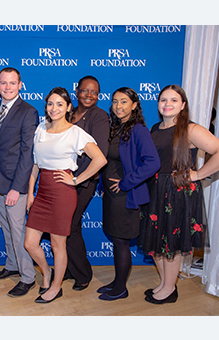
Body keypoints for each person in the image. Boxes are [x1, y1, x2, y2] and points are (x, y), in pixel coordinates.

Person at [138, 84, 219, 304]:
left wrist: (198, 175)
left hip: (176, 192)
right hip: (156, 190)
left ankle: (169, 289)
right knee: (159, 243)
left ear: (182, 105)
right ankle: (164, 283)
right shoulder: (155, 128)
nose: (167, 104)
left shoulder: (191, 129)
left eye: (173, 100)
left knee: (171, 243)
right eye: (163, 100)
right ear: (158, 103)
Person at [25, 87, 107, 303]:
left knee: (57, 244)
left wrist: (76, 179)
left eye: (60, 104)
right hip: (42, 190)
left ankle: (55, 287)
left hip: (63, 192)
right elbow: (35, 164)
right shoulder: (41, 128)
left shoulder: (76, 132)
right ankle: (47, 273)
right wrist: (30, 192)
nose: (54, 108)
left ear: (68, 107)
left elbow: (100, 160)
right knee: (30, 243)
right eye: (50, 103)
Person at [98, 87, 160, 301]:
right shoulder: (117, 127)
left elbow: (153, 163)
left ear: (134, 105)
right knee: (117, 240)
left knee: (121, 241)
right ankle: (116, 282)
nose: (118, 106)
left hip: (126, 195)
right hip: (112, 195)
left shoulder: (138, 130)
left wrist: (126, 183)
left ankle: (121, 289)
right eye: (115, 101)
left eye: (123, 101)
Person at [0, 67, 40, 297]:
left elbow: (28, 152)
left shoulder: (29, 111)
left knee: (18, 231)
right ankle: (12, 265)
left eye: (12, 83)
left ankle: (28, 277)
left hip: (14, 185)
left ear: (20, 85)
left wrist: (17, 189)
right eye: (3, 83)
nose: (8, 87)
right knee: (7, 227)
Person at [65, 75, 110, 291]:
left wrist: (77, 178)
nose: (89, 95)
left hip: (83, 181)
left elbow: (99, 153)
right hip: (63, 180)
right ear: (77, 91)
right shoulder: (68, 113)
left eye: (94, 92)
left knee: (71, 226)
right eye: (85, 90)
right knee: (63, 227)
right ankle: (68, 268)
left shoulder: (100, 117)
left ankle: (83, 273)